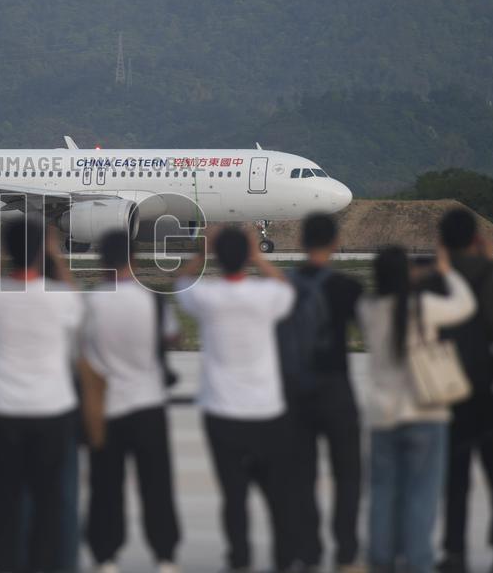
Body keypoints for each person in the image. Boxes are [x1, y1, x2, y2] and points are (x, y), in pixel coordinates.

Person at [173, 226, 298, 573]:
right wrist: (258, 258)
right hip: (267, 412)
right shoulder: (265, 296)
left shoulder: (208, 298)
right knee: (278, 495)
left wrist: (202, 253)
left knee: (234, 496)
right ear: (246, 257)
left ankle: (239, 559)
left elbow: (180, 284)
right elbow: (288, 289)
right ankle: (285, 559)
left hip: (222, 413)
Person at [0, 219, 85, 573]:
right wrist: (53, 255)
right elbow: (75, 303)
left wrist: (6, 258)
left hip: (1, 411)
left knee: (4, 500)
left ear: (8, 252)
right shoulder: (62, 299)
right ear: (41, 252)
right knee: (51, 501)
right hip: (52, 411)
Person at [358, 245, 476, 573]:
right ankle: (418, 561)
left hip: (383, 417)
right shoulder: (422, 306)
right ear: (407, 274)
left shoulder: (368, 308)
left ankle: (381, 560)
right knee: (421, 496)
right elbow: (465, 305)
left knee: (382, 494)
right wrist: (445, 270)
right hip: (425, 414)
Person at [81, 230, 181, 573]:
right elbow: (171, 337)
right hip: (148, 404)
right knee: (157, 485)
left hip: (107, 408)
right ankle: (164, 556)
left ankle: (105, 556)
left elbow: (81, 351)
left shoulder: (92, 302)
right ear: (133, 260)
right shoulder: (152, 300)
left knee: (105, 486)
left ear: (100, 261)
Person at [433, 209, 493, 573]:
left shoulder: (440, 281)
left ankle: (455, 553)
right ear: (476, 238)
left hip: (453, 390)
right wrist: (490, 261)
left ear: (442, 241)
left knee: (455, 480)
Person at [277, 214, 364, 571]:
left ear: (301, 241)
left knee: (301, 475)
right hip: (335, 389)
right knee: (348, 474)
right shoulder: (347, 286)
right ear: (334, 242)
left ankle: (308, 551)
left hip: (296, 390)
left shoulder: (284, 285)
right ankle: (345, 550)